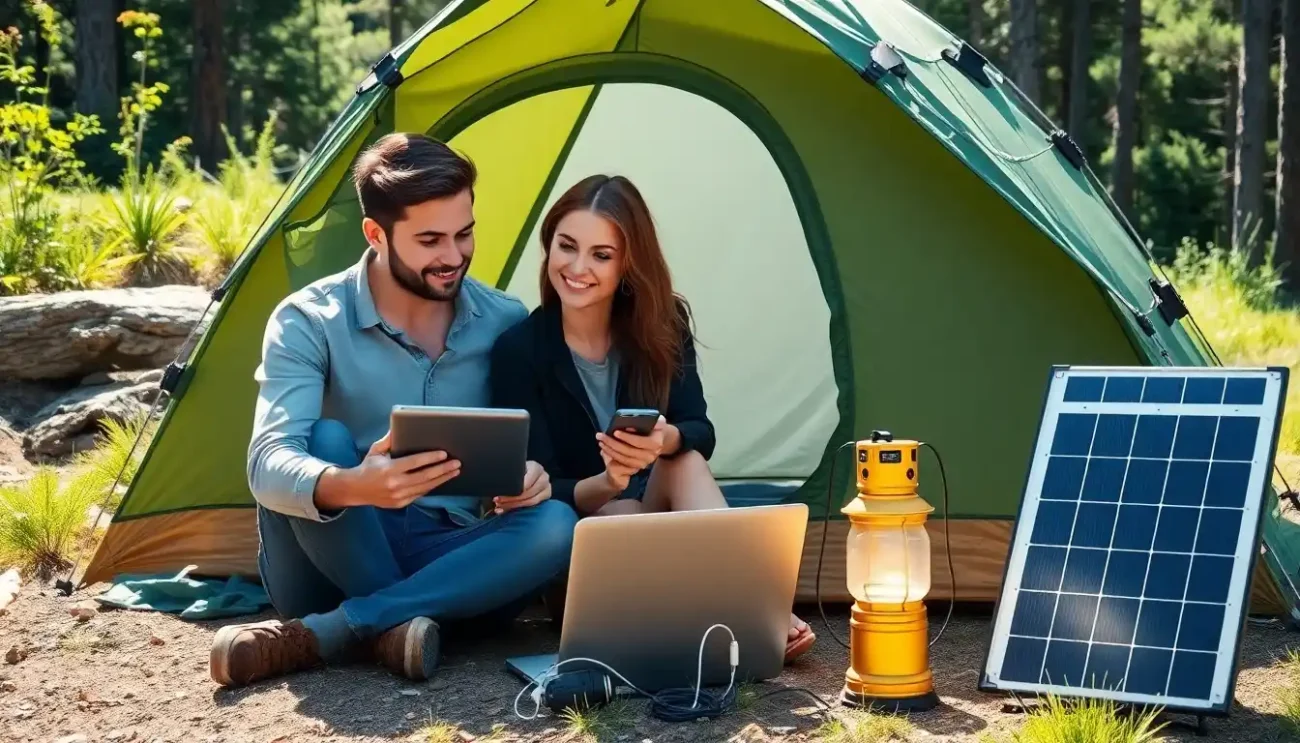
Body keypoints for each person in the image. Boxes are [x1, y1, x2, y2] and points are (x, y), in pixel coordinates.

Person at [209, 133, 578, 689]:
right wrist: (355, 484)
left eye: (464, 233)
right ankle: (395, 620)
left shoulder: (505, 319)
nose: (453, 256)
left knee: (555, 522)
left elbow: (523, 451)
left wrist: (530, 478)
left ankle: (353, 628)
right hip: (330, 554)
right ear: (376, 234)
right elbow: (267, 462)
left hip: (448, 551)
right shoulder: (308, 320)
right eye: (430, 239)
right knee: (325, 439)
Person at [488, 174, 816, 663]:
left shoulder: (663, 324)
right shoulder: (519, 351)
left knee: (684, 462)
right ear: (549, 246)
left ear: (627, 264)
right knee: (621, 511)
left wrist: (664, 440)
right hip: (584, 533)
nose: (578, 268)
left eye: (601, 255)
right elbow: (542, 490)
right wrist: (609, 478)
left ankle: (755, 606)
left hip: (664, 511)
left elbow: (699, 429)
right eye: (567, 247)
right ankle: (742, 614)